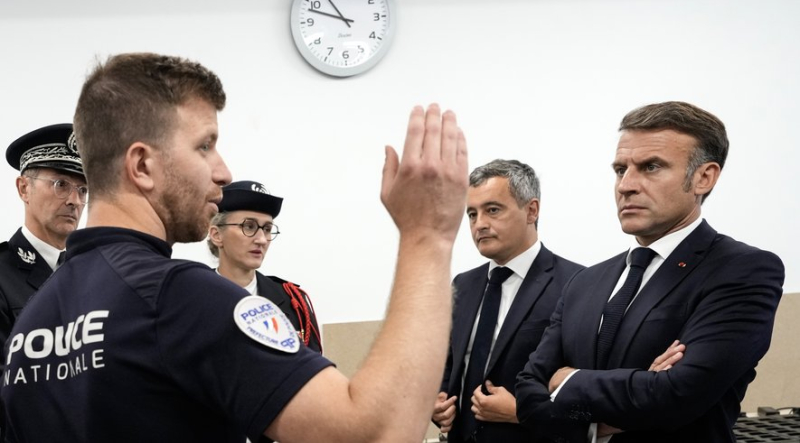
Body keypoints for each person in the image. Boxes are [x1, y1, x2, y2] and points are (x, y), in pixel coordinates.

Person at [1, 52, 469, 443]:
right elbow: (375, 433)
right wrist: (427, 236)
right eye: (205, 146)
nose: (223, 171)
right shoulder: (178, 297)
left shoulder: (35, 321)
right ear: (141, 165)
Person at [515, 101, 785, 443]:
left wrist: (565, 381)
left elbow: (677, 396)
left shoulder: (743, 271)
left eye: (651, 167)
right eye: (619, 169)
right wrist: (603, 419)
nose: (626, 185)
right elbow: (526, 393)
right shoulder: (584, 282)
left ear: (704, 177)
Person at [432, 159, 582, 443]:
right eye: (472, 214)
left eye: (492, 210)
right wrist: (437, 404)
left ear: (531, 210)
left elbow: (581, 387)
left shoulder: (576, 284)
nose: (480, 225)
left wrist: (522, 412)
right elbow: (447, 362)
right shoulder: (462, 285)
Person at [0, 123, 86, 367]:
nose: (75, 201)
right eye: (61, 185)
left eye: (83, 189)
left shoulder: (92, 275)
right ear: (24, 188)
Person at [208, 180, 322, 353]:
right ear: (217, 235)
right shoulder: (191, 296)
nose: (261, 239)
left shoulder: (293, 301)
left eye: (267, 229)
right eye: (249, 226)